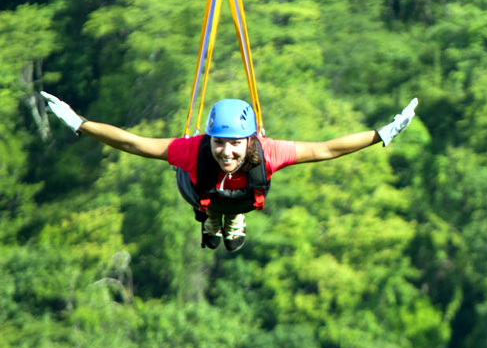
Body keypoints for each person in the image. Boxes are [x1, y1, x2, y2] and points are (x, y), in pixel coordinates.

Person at [40, 91, 418, 252]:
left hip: (241, 198)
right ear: (210, 139)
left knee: (235, 198)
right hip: (199, 190)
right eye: (220, 142)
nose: (227, 151)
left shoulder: (267, 151)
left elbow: (326, 149)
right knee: (211, 195)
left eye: (235, 143)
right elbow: (135, 143)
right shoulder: (194, 150)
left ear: (249, 140)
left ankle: (228, 220)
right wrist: (80, 123)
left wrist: (382, 134)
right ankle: (214, 219)